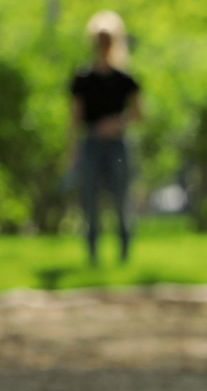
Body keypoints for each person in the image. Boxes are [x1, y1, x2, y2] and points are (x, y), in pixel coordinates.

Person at [67, 11, 142, 267]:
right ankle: (92, 258)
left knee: (121, 202)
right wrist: (71, 151)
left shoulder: (125, 78)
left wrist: (115, 123)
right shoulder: (82, 79)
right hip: (90, 144)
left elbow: (139, 114)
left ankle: (123, 256)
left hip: (117, 144)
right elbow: (74, 119)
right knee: (90, 203)